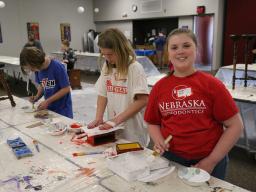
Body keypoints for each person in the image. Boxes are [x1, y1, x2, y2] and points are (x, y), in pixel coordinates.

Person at [144, 28, 243, 180]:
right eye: (174, 47)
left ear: (197, 49)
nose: (180, 51)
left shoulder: (212, 85)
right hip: (172, 159)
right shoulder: (159, 87)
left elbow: (235, 126)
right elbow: (152, 122)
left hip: (211, 158)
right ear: (168, 53)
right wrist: (158, 139)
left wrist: (211, 161)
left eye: (186, 46)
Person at [87, 28, 150, 147]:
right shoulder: (107, 67)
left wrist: (116, 120)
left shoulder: (134, 68)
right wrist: (99, 117)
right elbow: (102, 93)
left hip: (133, 131)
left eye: (110, 54)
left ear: (121, 50)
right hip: (114, 128)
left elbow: (143, 100)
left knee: (133, 160)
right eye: (103, 54)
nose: (107, 58)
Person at [19, 47, 73, 118]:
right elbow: (42, 84)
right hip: (50, 108)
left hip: (62, 110)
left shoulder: (57, 67)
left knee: (63, 128)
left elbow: (66, 89)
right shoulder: (38, 70)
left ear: (36, 62)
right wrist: (37, 96)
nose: (32, 71)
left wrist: (47, 101)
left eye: (31, 68)